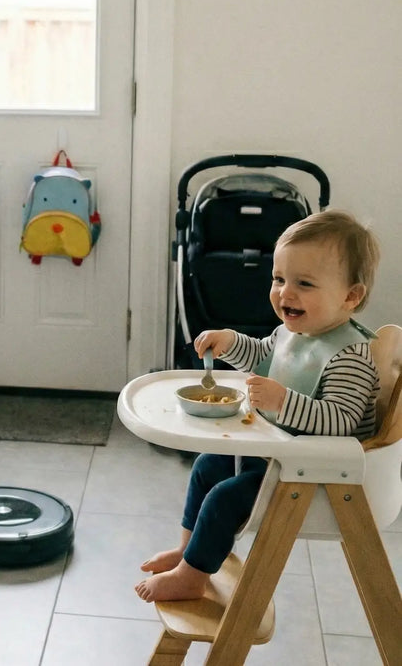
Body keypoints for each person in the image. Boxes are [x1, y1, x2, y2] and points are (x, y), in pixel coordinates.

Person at [135, 209, 381, 603]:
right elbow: (265, 356)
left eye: (304, 283)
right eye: (279, 279)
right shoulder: (294, 332)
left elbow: (342, 420)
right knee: (206, 466)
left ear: (351, 296)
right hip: (276, 457)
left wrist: (283, 401)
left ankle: (192, 577)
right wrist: (230, 341)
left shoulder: (349, 355)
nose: (286, 293)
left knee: (224, 499)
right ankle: (187, 552)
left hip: (316, 477)